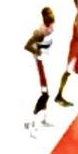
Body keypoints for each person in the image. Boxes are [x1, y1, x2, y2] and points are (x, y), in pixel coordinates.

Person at [24, 7, 55, 136]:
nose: (52, 16)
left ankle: (44, 118)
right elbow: (27, 45)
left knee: (48, 92)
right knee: (45, 94)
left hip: (47, 62)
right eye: (49, 14)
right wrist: (37, 53)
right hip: (40, 63)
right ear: (44, 17)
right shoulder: (40, 32)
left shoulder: (51, 27)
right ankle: (32, 123)